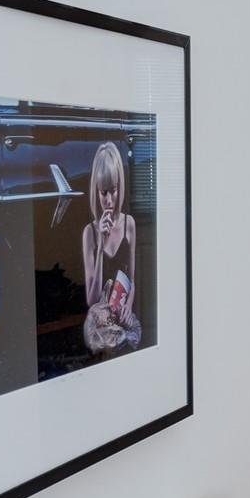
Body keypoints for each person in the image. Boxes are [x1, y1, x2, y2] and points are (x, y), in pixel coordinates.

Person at [81, 140, 140, 354]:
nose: (109, 200)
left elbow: (132, 280)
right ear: (96, 192)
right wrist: (100, 246)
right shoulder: (89, 233)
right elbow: (92, 299)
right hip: (100, 329)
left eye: (113, 191)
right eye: (103, 192)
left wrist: (128, 306)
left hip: (122, 322)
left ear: (119, 188)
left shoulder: (129, 224)